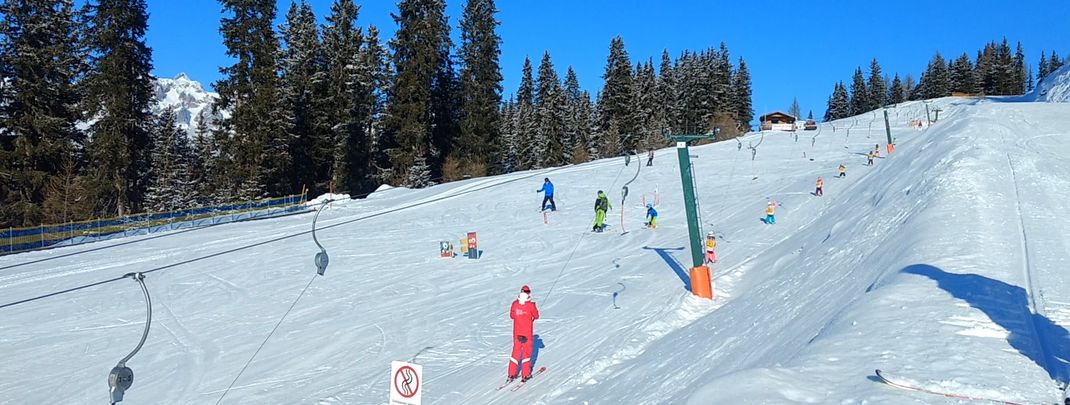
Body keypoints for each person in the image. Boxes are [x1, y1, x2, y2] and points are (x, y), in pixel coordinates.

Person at [508, 285, 540, 382]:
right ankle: (525, 374)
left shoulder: (515, 304)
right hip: (527, 334)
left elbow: (512, 316)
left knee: (515, 353)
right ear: (528, 293)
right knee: (526, 354)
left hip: (517, 333)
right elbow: (536, 316)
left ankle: (511, 374)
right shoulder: (531, 305)